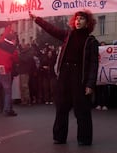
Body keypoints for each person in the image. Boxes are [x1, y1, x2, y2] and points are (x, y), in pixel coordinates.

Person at [29, 10, 99, 146]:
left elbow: (93, 64)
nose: (78, 21)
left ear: (87, 23)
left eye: (82, 19)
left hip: (79, 76)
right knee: (61, 106)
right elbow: (52, 29)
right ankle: (59, 137)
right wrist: (37, 19)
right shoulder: (68, 35)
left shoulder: (91, 41)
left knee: (82, 108)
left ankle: (84, 138)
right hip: (65, 74)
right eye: (77, 18)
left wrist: (90, 84)